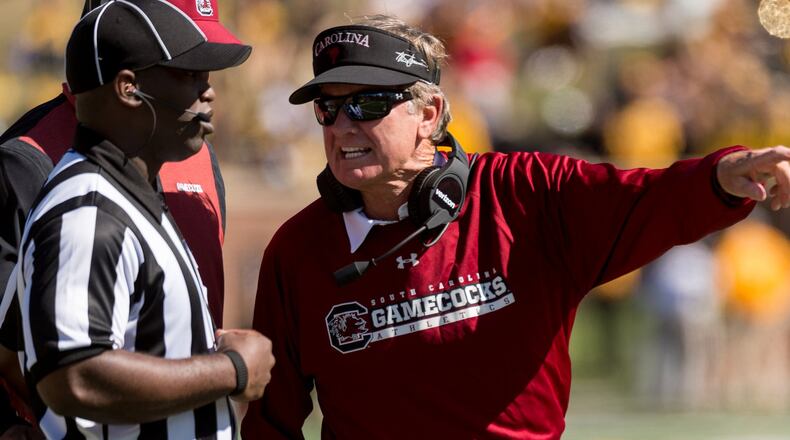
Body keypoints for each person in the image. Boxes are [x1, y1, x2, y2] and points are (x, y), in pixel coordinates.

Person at [242, 14, 790, 439]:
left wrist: (723, 176)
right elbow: (271, 421)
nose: (343, 125)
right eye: (328, 109)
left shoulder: (525, 195)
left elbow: (645, 199)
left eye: (368, 104)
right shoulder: (296, 251)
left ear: (429, 115)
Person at [16, 1, 273, 438]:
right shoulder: (90, 211)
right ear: (129, 88)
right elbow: (71, 376)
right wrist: (229, 370)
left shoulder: (130, 195)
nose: (208, 91)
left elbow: (14, 343)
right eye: (189, 74)